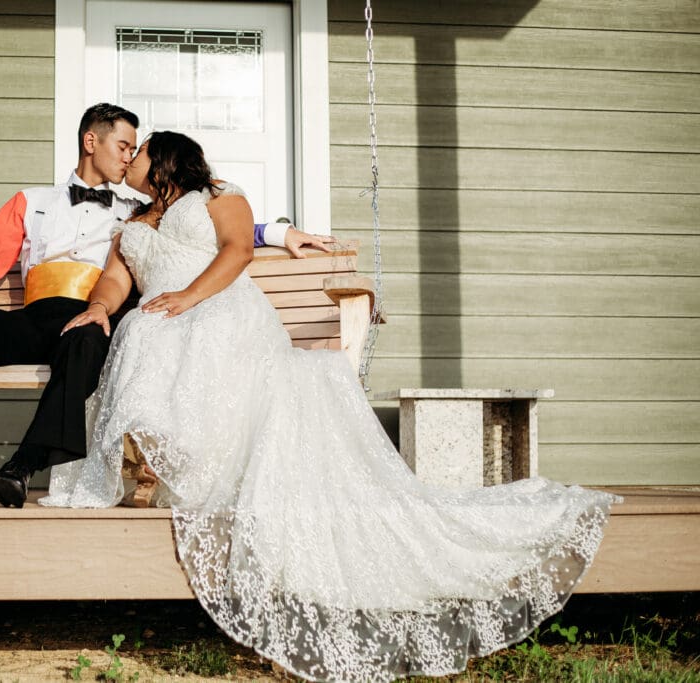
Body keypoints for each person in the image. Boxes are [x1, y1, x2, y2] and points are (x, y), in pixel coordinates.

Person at [40, 131, 620, 682]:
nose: (130, 158)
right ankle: (164, 459)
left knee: (182, 334)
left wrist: (190, 297)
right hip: (159, 319)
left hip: (216, 307)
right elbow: (115, 282)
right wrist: (101, 308)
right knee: (140, 333)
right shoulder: (130, 224)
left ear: (164, 159)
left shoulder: (219, 196)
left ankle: (180, 458)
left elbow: (240, 251)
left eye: (139, 151)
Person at [0, 103, 333, 508]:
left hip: (93, 320)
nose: (128, 156)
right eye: (123, 145)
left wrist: (277, 232)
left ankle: (23, 466)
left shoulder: (140, 207)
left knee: (87, 336)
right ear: (90, 141)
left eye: (136, 149)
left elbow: (206, 222)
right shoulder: (32, 203)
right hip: (37, 316)